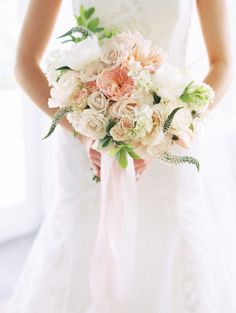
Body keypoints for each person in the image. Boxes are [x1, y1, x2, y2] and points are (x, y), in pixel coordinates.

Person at [8, 0, 233, 312]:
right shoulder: (85, 133)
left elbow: (222, 64)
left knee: (167, 243)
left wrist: (166, 127)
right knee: (83, 240)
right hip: (87, 138)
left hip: (171, 146)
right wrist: (86, 132)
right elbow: (24, 64)